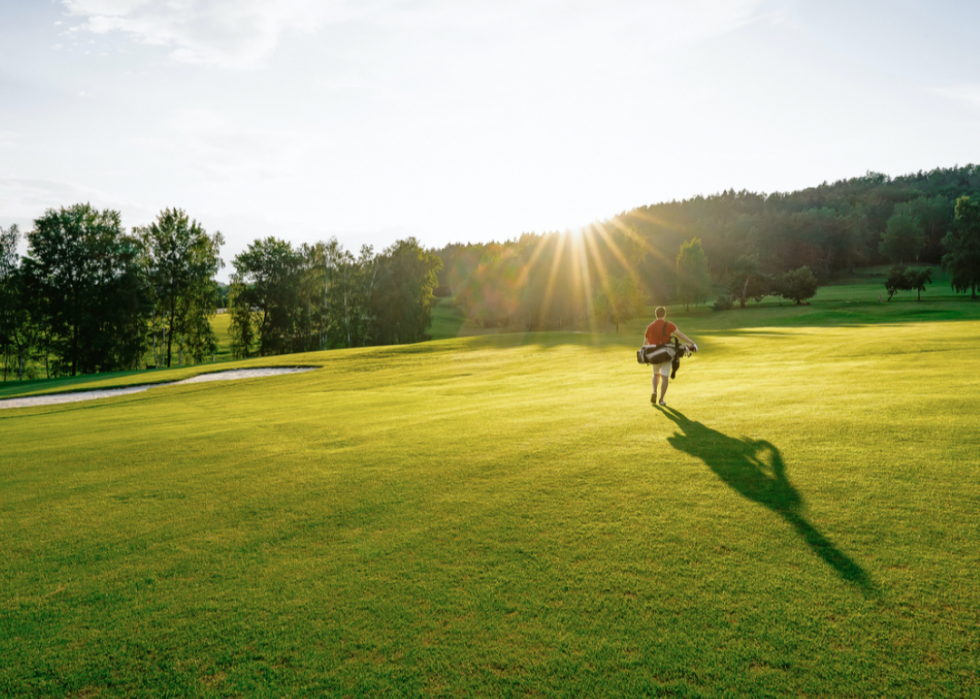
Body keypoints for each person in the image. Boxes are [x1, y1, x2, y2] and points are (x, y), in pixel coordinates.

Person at [643, 306, 696, 406]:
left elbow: (645, 343)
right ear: (664, 314)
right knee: (665, 376)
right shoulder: (668, 325)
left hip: (654, 355)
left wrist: (646, 355)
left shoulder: (650, 326)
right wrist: (691, 342)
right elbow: (679, 335)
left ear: (655, 315)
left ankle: (654, 391)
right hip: (666, 354)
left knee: (655, 374)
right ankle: (661, 399)